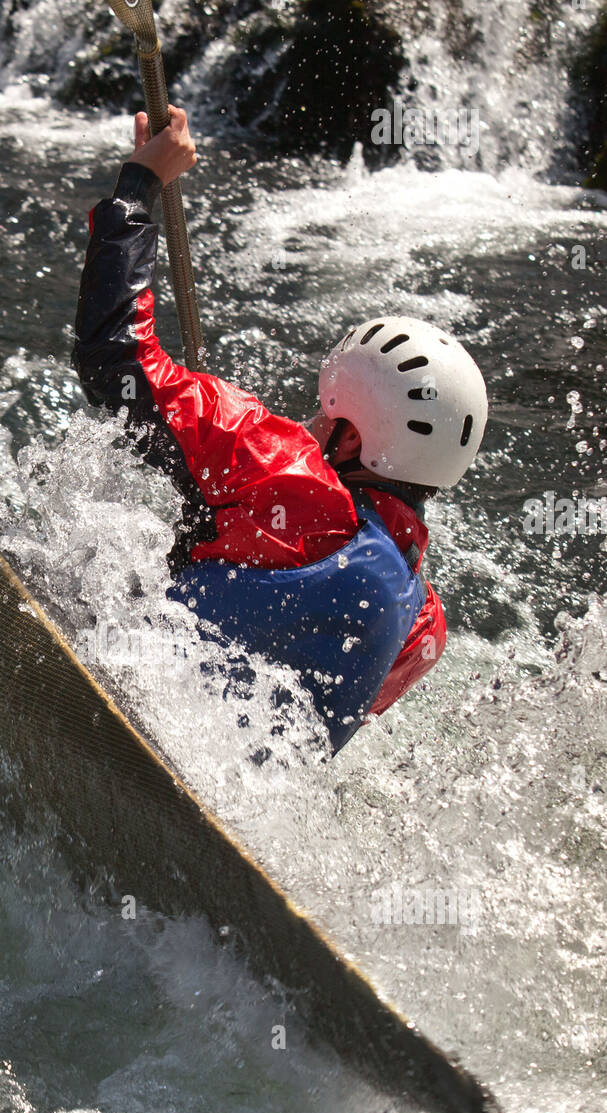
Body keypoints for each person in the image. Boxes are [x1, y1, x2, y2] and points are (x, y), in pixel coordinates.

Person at [72, 106, 489, 751]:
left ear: (350, 439)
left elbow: (114, 359)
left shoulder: (281, 467)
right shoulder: (423, 624)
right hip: (239, 779)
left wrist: (140, 183)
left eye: (329, 410)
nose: (312, 418)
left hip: (128, 693)